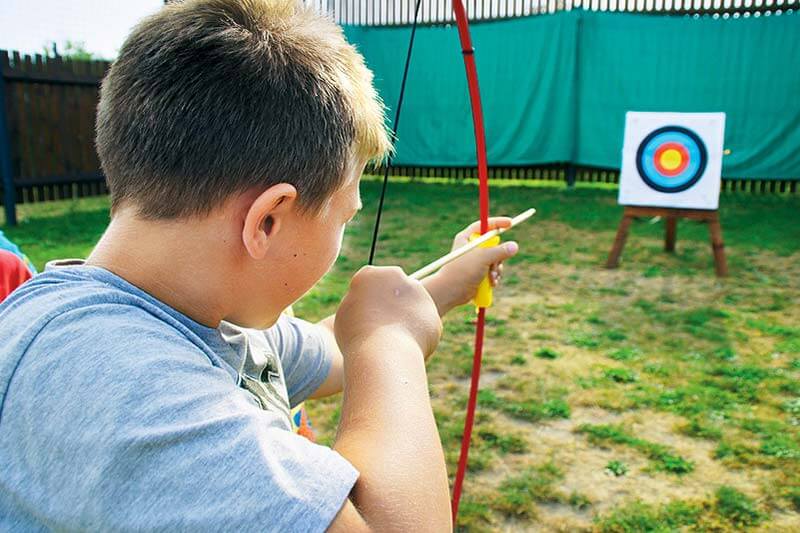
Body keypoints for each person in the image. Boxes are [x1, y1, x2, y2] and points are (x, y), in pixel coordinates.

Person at [0, 1, 519, 531]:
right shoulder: (117, 387)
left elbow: (332, 347)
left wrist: (443, 288)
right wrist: (393, 346)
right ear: (267, 222)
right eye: (346, 216)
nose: (345, 230)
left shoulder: (203, 312)